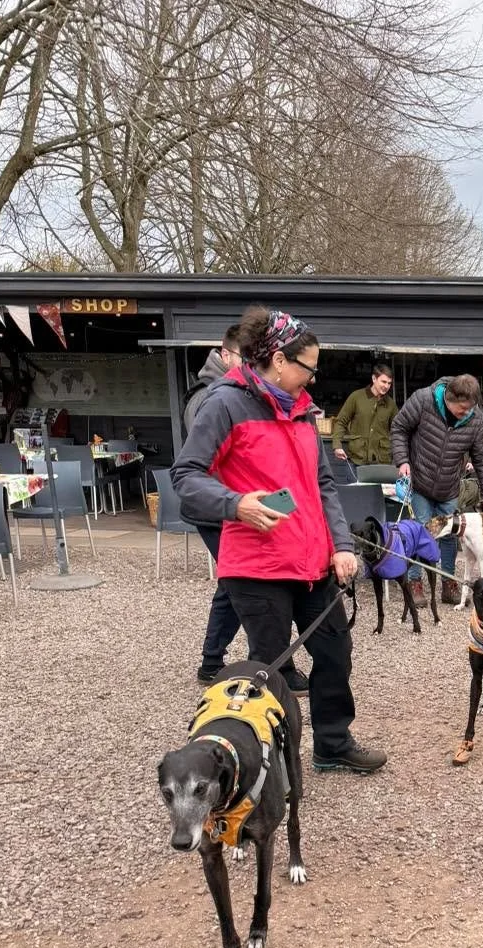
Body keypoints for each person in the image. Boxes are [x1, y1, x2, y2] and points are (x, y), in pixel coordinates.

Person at [172, 305, 385, 774]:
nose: (313, 377)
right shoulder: (223, 403)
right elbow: (185, 476)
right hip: (256, 566)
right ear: (280, 361)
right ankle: (266, 758)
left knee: (334, 652)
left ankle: (332, 743)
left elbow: (323, 484)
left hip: (312, 562)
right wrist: (236, 504)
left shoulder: (304, 412)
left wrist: (342, 546)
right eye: (308, 366)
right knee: (269, 667)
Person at [178, 330, 308, 694]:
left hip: (247, 505)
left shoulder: (251, 396)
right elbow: (208, 466)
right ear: (226, 354)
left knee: (235, 587)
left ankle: (219, 661)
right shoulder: (212, 399)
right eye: (245, 357)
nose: (253, 366)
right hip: (222, 510)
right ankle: (265, 666)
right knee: (243, 587)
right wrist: (238, 502)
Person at [391, 373, 483, 607]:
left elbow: (482, 457)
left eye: (470, 409)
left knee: (451, 534)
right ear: (448, 399)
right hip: (419, 482)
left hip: (450, 486)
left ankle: (448, 583)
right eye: (461, 409)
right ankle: (415, 582)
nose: (466, 413)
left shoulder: (476, 418)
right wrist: (402, 461)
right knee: (421, 531)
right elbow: (399, 428)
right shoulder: (423, 400)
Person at [331, 362, 397, 481]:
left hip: (381, 462)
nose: (386, 386)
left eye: (389, 383)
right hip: (357, 460)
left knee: (378, 498)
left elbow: (398, 430)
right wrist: (337, 445)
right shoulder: (356, 397)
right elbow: (341, 421)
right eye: (383, 382)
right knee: (356, 497)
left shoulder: (391, 404)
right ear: (374, 378)